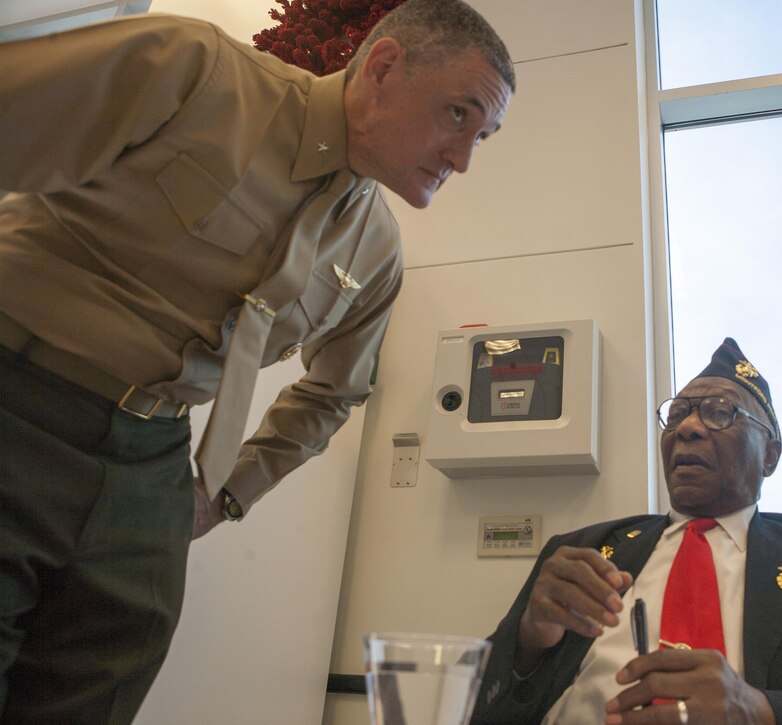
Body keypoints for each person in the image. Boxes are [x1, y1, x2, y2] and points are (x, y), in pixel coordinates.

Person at [0, 1, 514, 721]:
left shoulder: (376, 250)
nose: (463, 159)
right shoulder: (198, 73)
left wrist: (229, 492)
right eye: (458, 115)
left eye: (481, 136)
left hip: (151, 469)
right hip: (20, 400)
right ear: (383, 67)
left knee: (89, 699)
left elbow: (335, 392)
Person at [471, 338, 782, 724]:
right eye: (677, 413)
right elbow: (471, 705)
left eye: (719, 413)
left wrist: (763, 711)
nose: (686, 427)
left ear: (769, 455)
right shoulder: (582, 551)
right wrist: (529, 640)